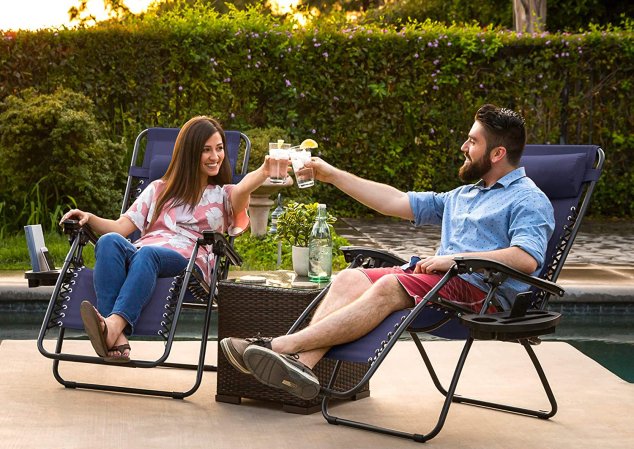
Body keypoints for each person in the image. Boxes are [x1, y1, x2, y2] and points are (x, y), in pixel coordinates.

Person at [220, 104, 555, 401]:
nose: (464, 147)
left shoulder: (527, 198)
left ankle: (277, 346)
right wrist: (330, 174)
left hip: (483, 294)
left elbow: (526, 257)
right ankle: (301, 367)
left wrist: (455, 260)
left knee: (390, 286)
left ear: (497, 154)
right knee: (351, 277)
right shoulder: (464, 195)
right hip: (440, 283)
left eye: (473, 141)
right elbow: (394, 201)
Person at [60, 116, 275, 362]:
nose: (215, 156)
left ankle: (113, 325)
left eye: (219, 148)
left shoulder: (223, 195)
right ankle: (114, 334)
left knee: (147, 254)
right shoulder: (158, 189)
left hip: (187, 263)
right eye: (206, 150)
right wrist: (88, 217)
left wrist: (264, 172)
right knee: (109, 241)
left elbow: (243, 188)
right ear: (189, 153)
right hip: (143, 255)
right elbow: (120, 227)